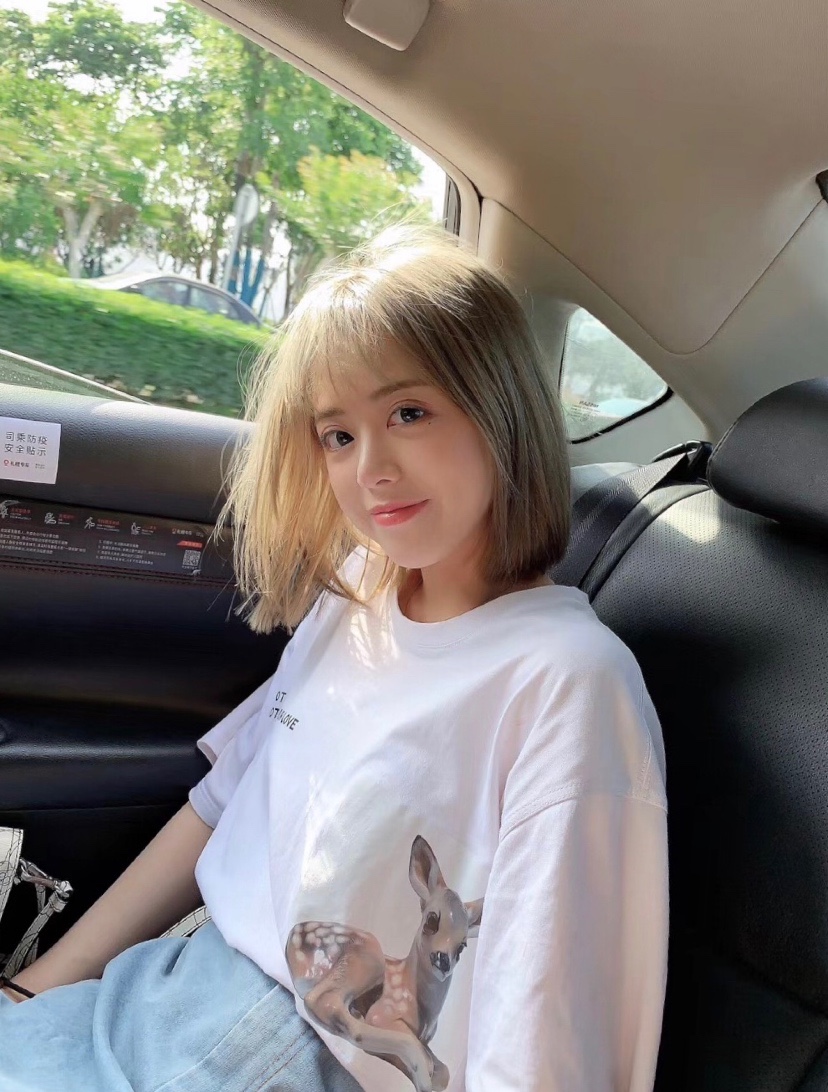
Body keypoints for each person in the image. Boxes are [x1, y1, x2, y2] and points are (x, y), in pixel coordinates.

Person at [0, 223, 668, 1092]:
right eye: (337, 435)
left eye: (408, 413)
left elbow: (547, 1048)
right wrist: (37, 988)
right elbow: (225, 799)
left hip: (292, 1057)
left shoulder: (567, 683)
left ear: (501, 406)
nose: (370, 469)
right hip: (158, 992)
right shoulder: (359, 591)